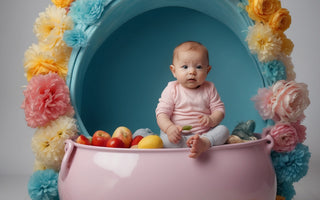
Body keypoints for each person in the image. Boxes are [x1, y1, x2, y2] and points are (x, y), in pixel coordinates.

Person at [156, 41, 229, 158]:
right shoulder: (172, 89)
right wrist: (170, 129)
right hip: (178, 136)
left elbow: (219, 109)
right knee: (163, 141)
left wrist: (212, 119)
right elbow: (161, 114)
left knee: (223, 130)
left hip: (203, 135)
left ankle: (205, 142)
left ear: (207, 70)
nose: (192, 72)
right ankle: (189, 144)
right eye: (185, 67)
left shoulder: (209, 88)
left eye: (199, 67)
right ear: (174, 71)